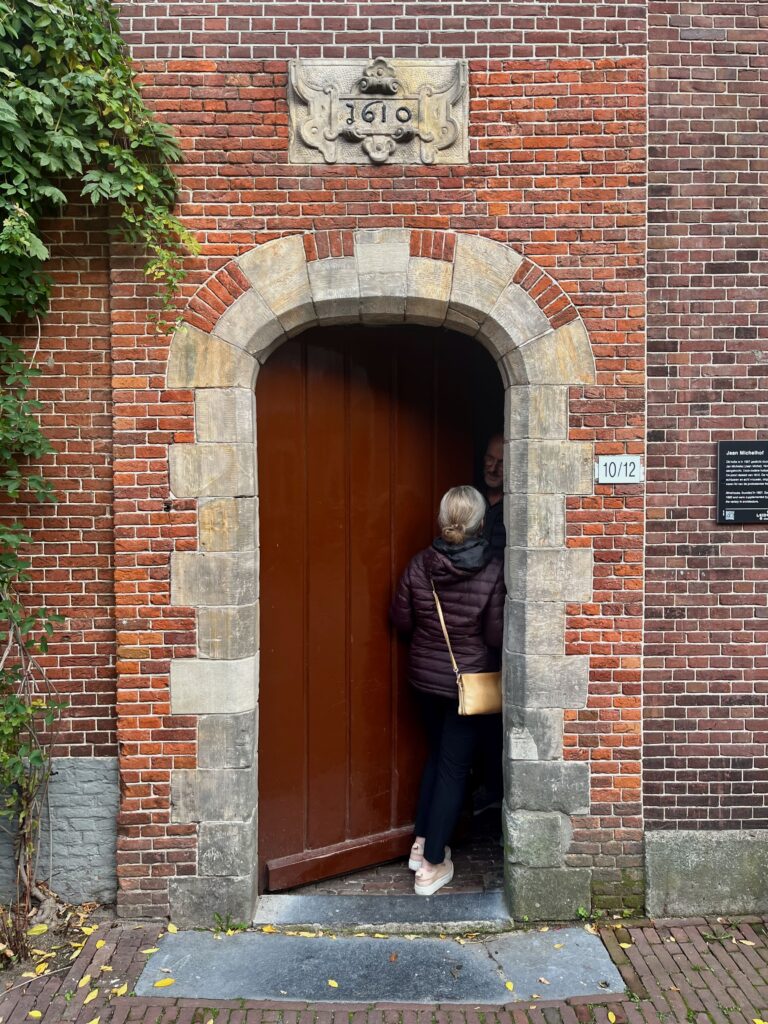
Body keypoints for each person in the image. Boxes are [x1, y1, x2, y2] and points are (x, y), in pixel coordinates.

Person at [390, 485, 505, 896]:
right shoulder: (493, 569)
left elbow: (401, 620)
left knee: (438, 758)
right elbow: (494, 634)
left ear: (443, 519)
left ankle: (421, 843)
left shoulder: (421, 564)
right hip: (467, 683)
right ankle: (433, 865)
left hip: (425, 680)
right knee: (454, 769)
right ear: (479, 524)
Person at [481, 432, 505, 559]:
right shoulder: (471, 496)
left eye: (501, 463)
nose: (493, 469)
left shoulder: (517, 504)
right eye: (490, 459)